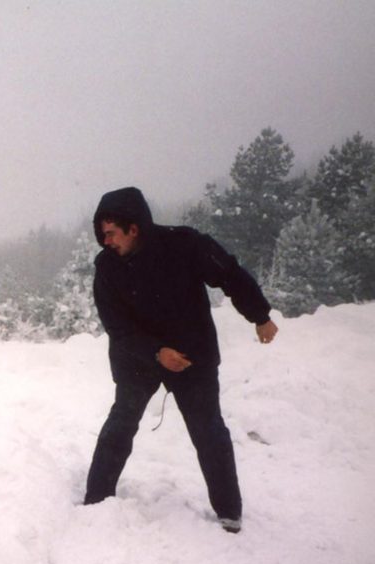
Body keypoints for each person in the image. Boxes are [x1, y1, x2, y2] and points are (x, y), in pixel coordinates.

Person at [84, 186, 278, 534]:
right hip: (138, 358)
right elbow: (118, 328)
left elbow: (229, 274)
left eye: (111, 233)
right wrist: (156, 352)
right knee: (121, 424)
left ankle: (229, 512)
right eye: (102, 234)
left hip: (192, 354)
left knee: (208, 430)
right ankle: (96, 501)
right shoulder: (107, 268)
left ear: (133, 228)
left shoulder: (185, 245)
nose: (105, 241)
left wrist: (259, 315)